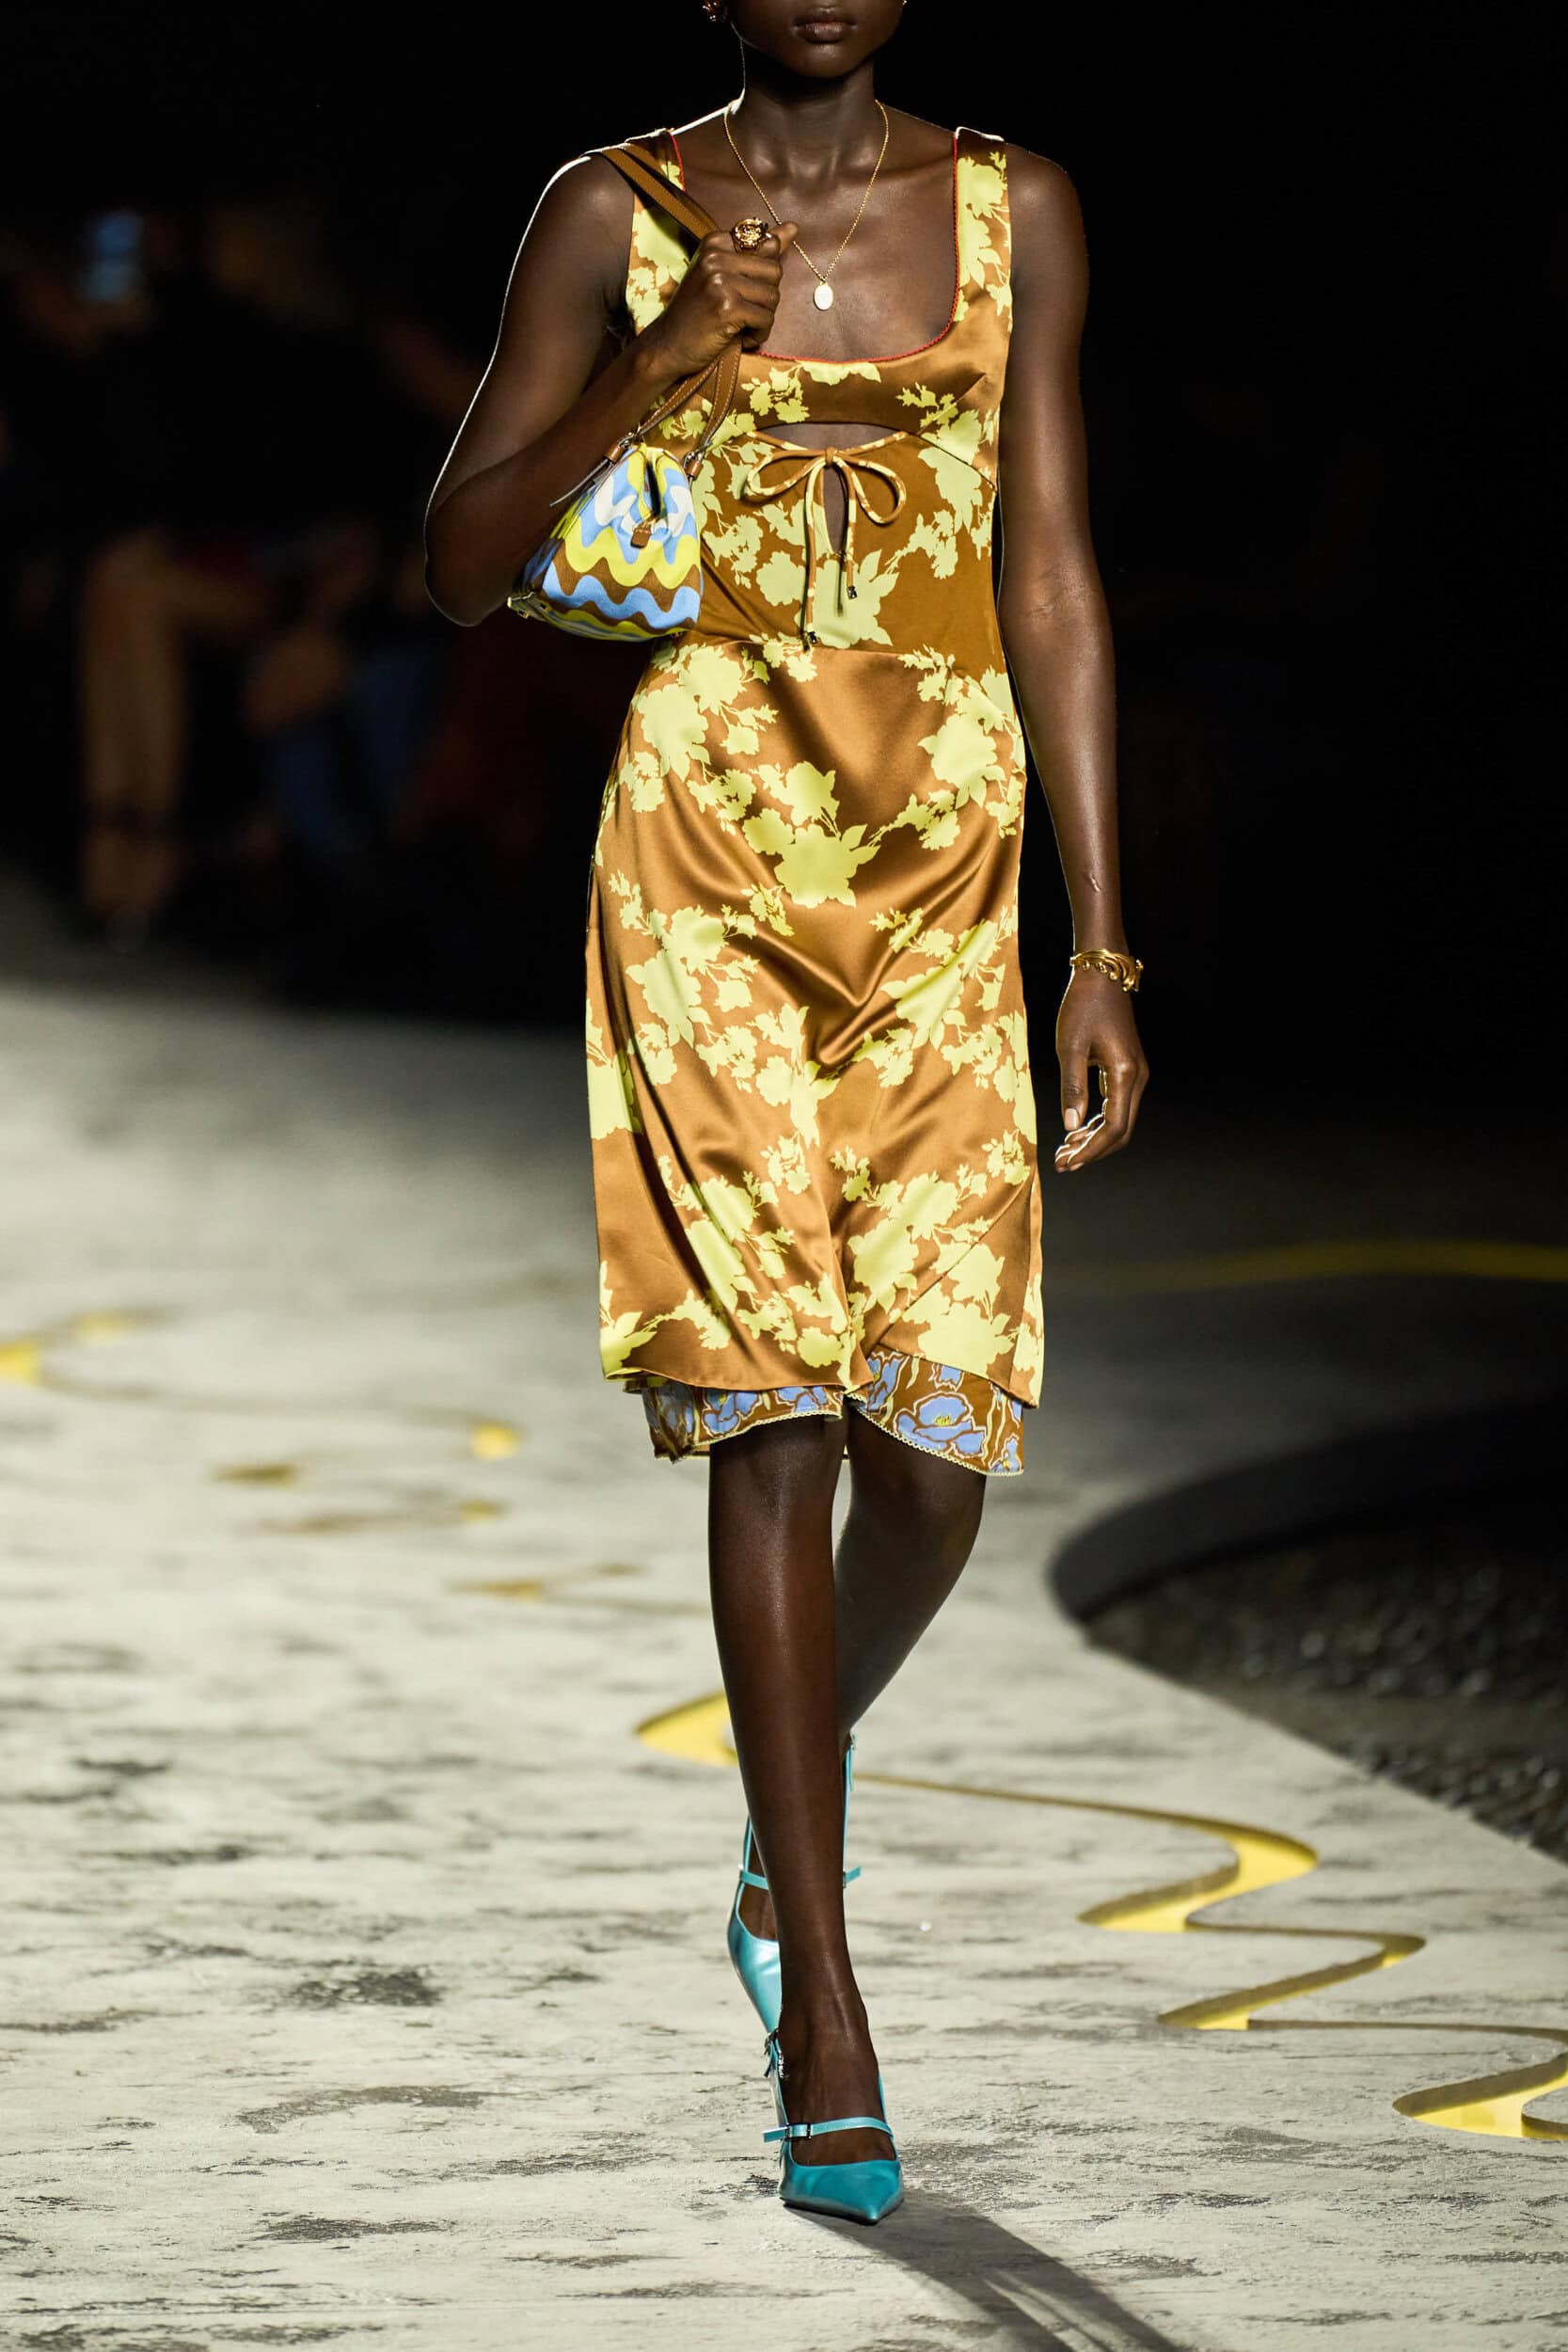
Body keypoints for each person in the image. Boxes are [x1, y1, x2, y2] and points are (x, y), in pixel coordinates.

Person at [425, 0, 1148, 2223]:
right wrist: (654, 370)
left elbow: (1050, 568)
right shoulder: (611, 211)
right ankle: (823, 2002)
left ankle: (784, 1795)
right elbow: (459, 560)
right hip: (709, 855)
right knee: (777, 1417)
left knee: (935, 1450)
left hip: (946, 862)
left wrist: (1104, 942)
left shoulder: (1019, 208)